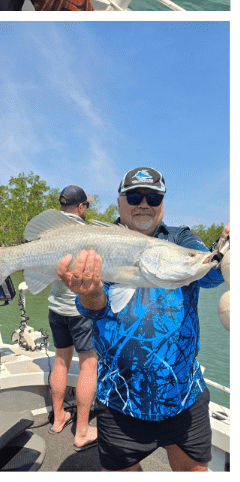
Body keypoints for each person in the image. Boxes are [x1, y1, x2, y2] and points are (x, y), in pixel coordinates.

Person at [57, 167, 229, 472]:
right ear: (120, 202)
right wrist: (90, 294)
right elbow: (94, 309)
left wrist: (225, 247)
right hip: (119, 399)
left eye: (154, 196)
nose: (144, 203)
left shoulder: (181, 238)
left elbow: (211, 274)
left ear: (162, 203)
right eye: (135, 196)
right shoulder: (98, 243)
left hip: (183, 396)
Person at [46, 185, 98, 451]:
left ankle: (58, 420)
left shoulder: (53, 231)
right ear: (81, 208)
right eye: (86, 206)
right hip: (80, 311)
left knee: (60, 362)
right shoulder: (85, 233)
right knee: (88, 365)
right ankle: (82, 430)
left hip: (56, 309)